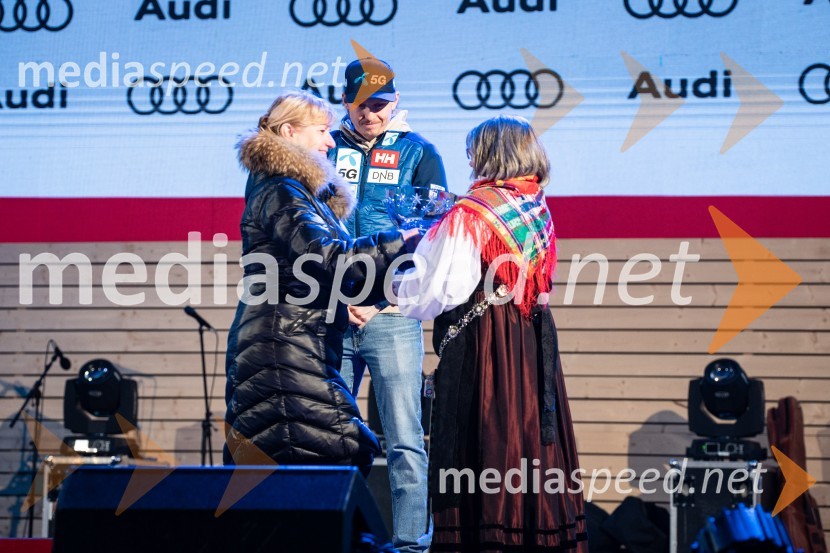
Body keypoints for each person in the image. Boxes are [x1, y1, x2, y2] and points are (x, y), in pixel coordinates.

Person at [397, 115, 589, 551]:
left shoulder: (473, 212)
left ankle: (492, 536)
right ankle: (532, 534)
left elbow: (438, 289)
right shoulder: (534, 203)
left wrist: (393, 291)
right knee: (529, 444)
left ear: (488, 153)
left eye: (473, 150)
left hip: (488, 346)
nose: (468, 158)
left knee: (488, 438)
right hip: (530, 342)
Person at [224, 91, 421, 475]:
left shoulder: (294, 190)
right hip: (283, 347)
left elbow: (322, 268)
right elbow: (327, 258)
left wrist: (365, 295)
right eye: (322, 130)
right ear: (289, 132)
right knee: (342, 452)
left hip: (294, 341)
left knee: (319, 462)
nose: (331, 141)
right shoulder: (282, 189)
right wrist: (403, 242)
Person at [328, 58, 447, 553]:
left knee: (404, 439)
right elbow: (310, 232)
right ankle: (332, 536)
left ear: (395, 102)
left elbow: (434, 236)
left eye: (380, 104)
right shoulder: (324, 149)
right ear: (346, 103)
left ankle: (411, 545)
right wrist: (340, 298)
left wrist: (384, 302)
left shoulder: (420, 152)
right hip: (331, 316)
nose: (370, 114)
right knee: (327, 437)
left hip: (393, 317)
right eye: (362, 105)